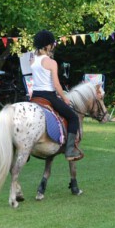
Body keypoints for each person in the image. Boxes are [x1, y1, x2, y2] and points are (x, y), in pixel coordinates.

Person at [30, 29, 83, 161]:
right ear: (48, 45)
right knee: (73, 117)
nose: (53, 46)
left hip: (35, 96)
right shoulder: (51, 62)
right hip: (49, 96)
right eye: (52, 44)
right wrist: (65, 98)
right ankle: (70, 150)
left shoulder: (33, 61)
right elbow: (57, 85)